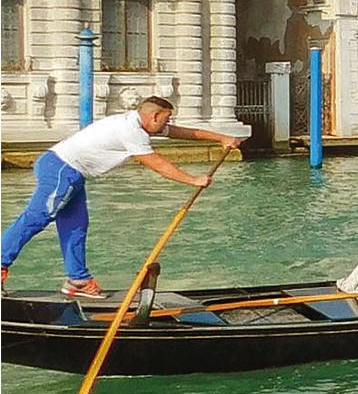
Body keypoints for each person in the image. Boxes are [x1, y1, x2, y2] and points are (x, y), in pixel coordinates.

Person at [2, 96, 240, 296]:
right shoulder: (131, 131)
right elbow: (157, 164)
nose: (168, 123)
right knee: (36, 219)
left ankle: (78, 280)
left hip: (73, 173)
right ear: (154, 116)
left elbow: (183, 133)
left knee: (76, 226)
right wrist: (193, 179)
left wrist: (221, 138)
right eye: (167, 119)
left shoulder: (139, 123)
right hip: (61, 168)